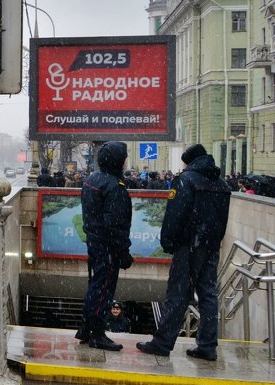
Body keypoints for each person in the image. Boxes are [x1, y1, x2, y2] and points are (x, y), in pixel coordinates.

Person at [137, 144, 232, 361]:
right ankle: (207, 346)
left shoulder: (186, 180)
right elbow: (222, 219)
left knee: (178, 294)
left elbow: (175, 214)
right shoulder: (221, 183)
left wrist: (168, 241)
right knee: (208, 294)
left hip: (189, 246)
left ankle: (162, 343)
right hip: (210, 246)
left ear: (189, 162)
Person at [76, 141, 133, 351]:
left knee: (95, 285)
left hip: (94, 241)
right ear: (117, 160)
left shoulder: (92, 179)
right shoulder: (113, 186)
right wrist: (123, 251)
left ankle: (86, 328)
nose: (126, 161)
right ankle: (97, 333)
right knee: (103, 289)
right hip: (107, 246)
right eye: (124, 157)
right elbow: (116, 224)